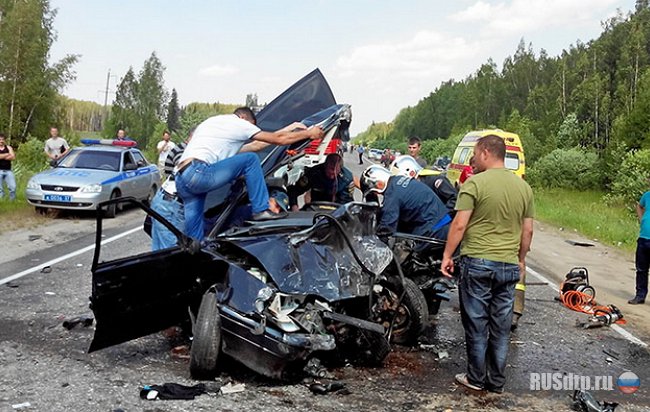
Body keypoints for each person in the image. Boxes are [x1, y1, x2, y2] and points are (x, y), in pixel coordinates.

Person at [440, 134, 534, 394]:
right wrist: (521, 259)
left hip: (478, 262)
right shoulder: (523, 188)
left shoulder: (474, 183)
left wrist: (448, 255)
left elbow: (459, 224)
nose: (474, 160)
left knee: (477, 323)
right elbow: (527, 232)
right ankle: (495, 381)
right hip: (508, 265)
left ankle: (476, 378)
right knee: (501, 326)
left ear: (484, 152)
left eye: (475, 154)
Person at [174, 107, 323, 240]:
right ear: (245, 119)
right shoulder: (239, 123)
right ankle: (260, 210)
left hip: (182, 178)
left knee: (194, 240)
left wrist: (290, 127)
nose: (252, 131)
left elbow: (255, 146)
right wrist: (309, 133)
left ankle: (193, 254)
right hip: (198, 172)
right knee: (251, 160)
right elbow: (278, 140)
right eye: (253, 127)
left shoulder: (214, 125)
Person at [360, 165, 451, 243]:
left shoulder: (392, 195)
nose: (376, 195)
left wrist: (377, 241)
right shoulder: (399, 179)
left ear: (379, 184)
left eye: (374, 192)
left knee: (409, 256)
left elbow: (387, 228)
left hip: (435, 229)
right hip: (443, 220)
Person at [150, 129, 194, 251]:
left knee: (160, 251)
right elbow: (182, 166)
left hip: (165, 199)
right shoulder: (185, 150)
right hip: (171, 204)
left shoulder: (178, 146)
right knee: (171, 251)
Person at [287, 153, 354, 211]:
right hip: (315, 209)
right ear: (325, 166)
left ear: (340, 169)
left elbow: (347, 202)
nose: (331, 176)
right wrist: (294, 206)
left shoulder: (347, 179)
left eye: (335, 174)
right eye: (329, 172)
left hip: (337, 212)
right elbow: (294, 190)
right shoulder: (314, 173)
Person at [390, 155, 457, 213]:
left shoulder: (436, 181)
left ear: (412, 173)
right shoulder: (413, 189)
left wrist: (442, 216)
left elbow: (454, 199)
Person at [629, 190, 650, 304]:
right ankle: (640, 295)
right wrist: (641, 219)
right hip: (643, 237)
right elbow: (639, 206)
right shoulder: (647, 195)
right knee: (641, 269)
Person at [0, 134, 16, 200]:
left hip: (8, 170)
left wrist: (2, 156)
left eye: (2, 139)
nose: (1, 141)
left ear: (4, 140)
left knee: (13, 187)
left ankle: (12, 200)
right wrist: (7, 154)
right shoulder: (8, 151)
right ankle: (1, 200)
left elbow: (13, 157)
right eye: (0, 139)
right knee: (0, 189)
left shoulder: (9, 148)